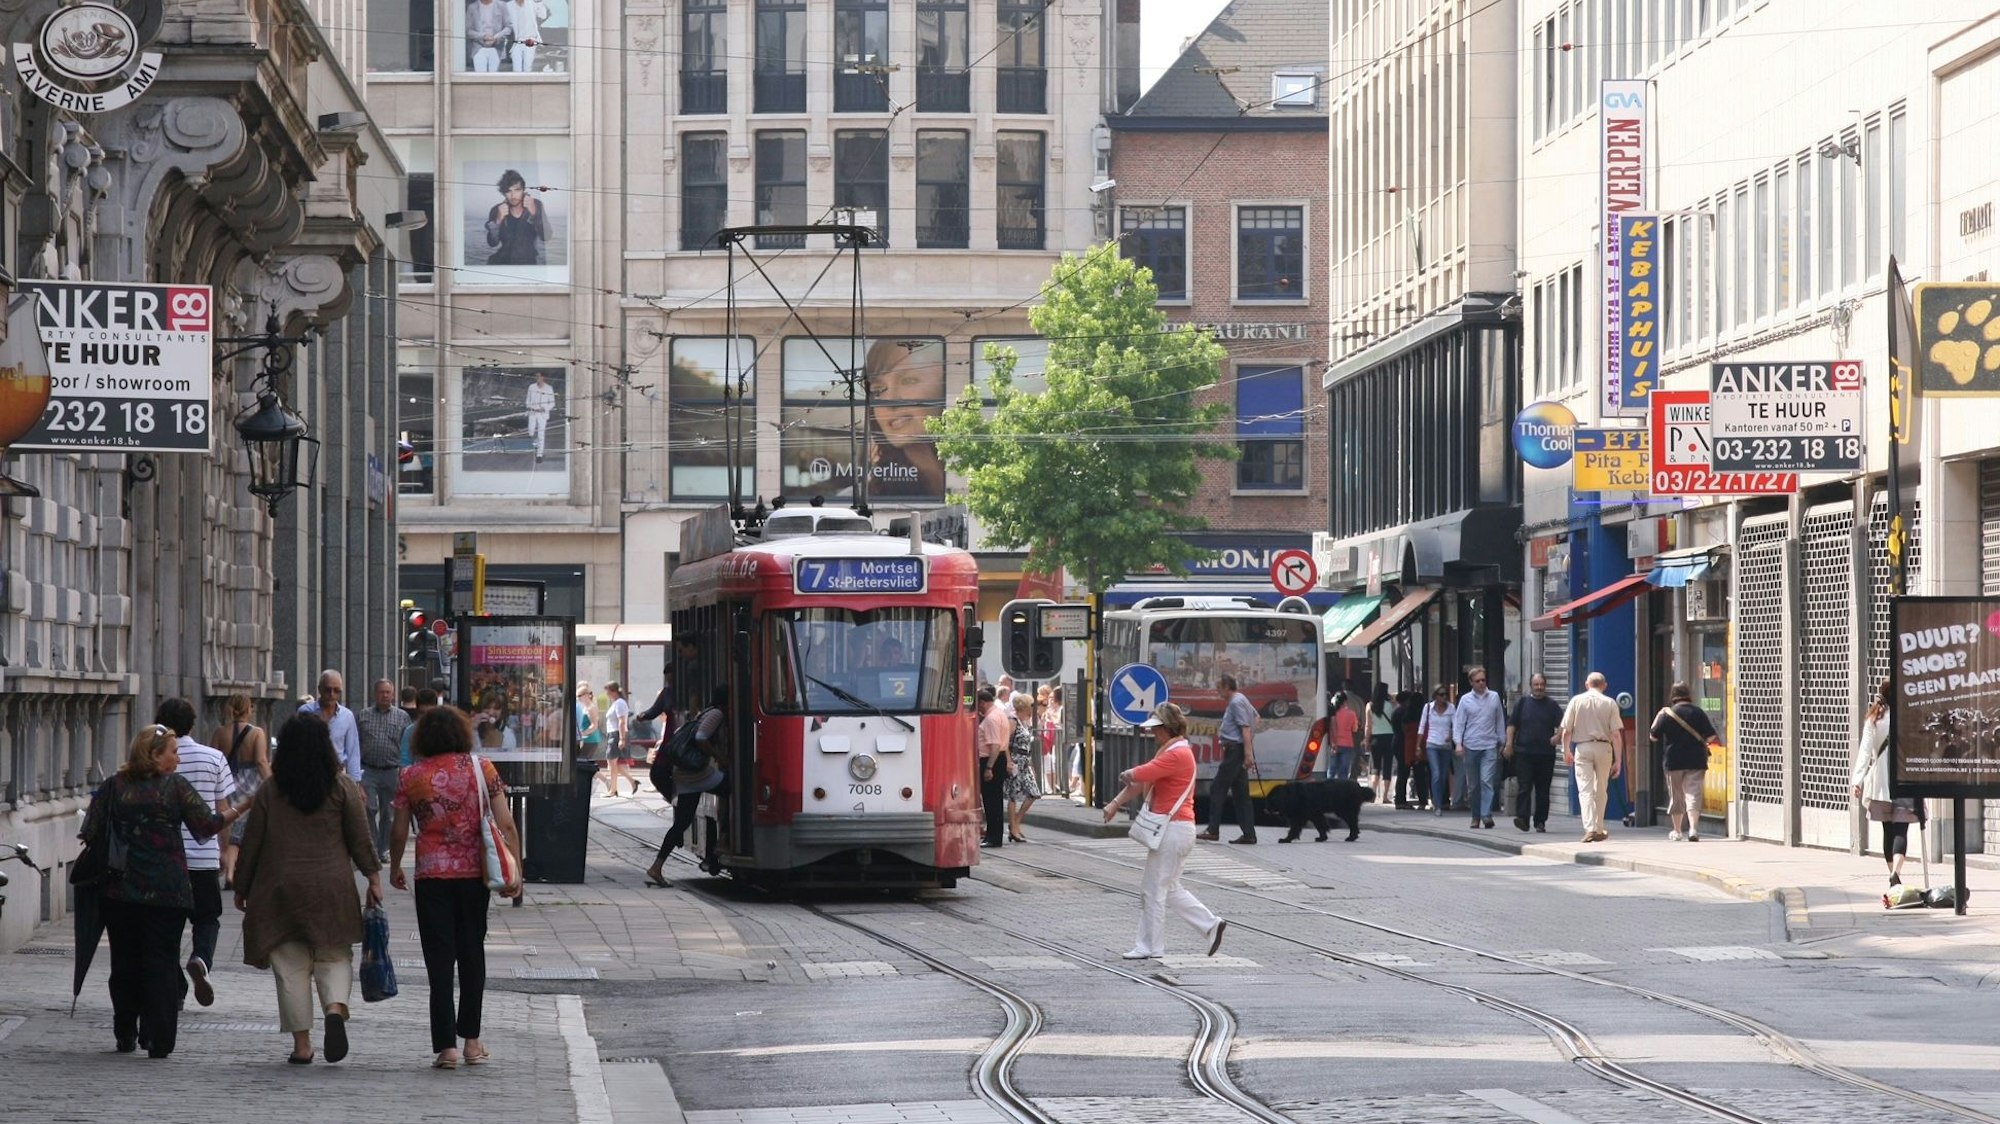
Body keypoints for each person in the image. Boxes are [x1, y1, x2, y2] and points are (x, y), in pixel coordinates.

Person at [81, 724, 250, 1057]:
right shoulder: (175, 788)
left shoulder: (114, 787)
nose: (178, 756)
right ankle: (158, 1037)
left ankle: (126, 1030)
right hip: (167, 892)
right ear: (155, 755)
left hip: (120, 891)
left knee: (125, 962)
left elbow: (89, 831)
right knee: (161, 962)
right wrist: (242, 806)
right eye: (173, 751)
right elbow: (207, 827)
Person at [234, 715, 384, 1065]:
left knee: (290, 966)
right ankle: (334, 1007)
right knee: (333, 956)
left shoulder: (270, 791)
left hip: (281, 889)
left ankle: (302, 1046)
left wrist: (242, 885)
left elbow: (252, 841)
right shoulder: (342, 786)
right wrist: (374, 878)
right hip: (332, 886)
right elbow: (361, 839)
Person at [391, 706, 523, 1069]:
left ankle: (445, 1047)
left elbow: (399, 828)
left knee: (438, 959)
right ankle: (472, 1041)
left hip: (431, 877)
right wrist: (517, 870)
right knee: (471, 953)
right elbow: (506, 823)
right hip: (473, 876)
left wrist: (395, 865)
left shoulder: (411, 775)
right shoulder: (482, 769)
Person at [1101, 703, 1227, 961]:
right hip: (1177, 830)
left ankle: (1151, 947)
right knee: (1168, 888)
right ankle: (1210, 925)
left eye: (1156, 729)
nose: (1153, 733)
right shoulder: (1171, 751)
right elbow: (1145, 781)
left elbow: (1143, 774)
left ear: (1168, 728)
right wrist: (1115, 803)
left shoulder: (1176, 754)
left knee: (1153, 890)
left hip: (1173, 830)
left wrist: (1129, 772)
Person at [156, 697, 236, 1011]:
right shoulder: (213, 757)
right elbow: (222, 811)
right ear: (193, 723)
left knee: (168, 927)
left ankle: (175, 988)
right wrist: (224, 852)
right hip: (202, 857)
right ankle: (201, 958)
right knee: (207, 918)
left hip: (166, 859)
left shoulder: (155, 760)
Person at [645, 686, 730, 887]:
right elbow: (701, 737)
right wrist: (720, 757)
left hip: (685, 775)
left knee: (682, 822)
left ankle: (656, 867)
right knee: (734, 790)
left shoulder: (707, 711)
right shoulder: (717, 713)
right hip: (698, 774)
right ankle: (722, 843)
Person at [1852, 679, 1921, 885]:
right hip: (1905, 778)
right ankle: (1896, 872)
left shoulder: (1874, 719)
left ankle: (1892, 873)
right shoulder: (1909, 716)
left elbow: (1865, 752)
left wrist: (1857, 780)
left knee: (1888, 829)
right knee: (1901, 828)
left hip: (1880, 782)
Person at [862, 338, 947, 500]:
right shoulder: (866, 495)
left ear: (944, 387)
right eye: (878, 390)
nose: (891, 401)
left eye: (908, 380)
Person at [1559, 671, 1626, 843]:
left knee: (1585, 789)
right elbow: (1616, 734)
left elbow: (1566, 731)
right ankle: (1598, 826)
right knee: (1601, 789)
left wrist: (1566, 751)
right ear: (1604, 686)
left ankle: (1589, 828)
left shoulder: (1576, 701)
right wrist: (1618, 760)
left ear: (1587, 684)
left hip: (1583, 747)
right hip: (1604, 747)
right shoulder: (1610, 703)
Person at [1651, 682, 1721, 842]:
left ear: (1672, 695)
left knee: (1676, 796)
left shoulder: (1667, 713)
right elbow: (1711, 736)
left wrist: (1659, 716)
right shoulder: (1698, 712)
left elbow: (1653, 736)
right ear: (1688, 694)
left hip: (1673, 759)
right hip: (1696, 759)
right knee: (1693, 793)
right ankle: (1693, 829)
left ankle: (1677, 831)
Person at [213, 693, 269, 888]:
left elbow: (214, 760)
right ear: (248, 709)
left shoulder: (220, 733)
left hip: (226, 781)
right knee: (246, 827)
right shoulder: (257, 733)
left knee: (228, 824)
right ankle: (240, 870)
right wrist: (271, 783)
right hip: (250, 783)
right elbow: (261, 761)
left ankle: (229, 871)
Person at [356, 679, 412, 862]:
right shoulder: (363, 715)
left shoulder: (402, 717)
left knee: (388, 813)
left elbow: (407, 745)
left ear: (393, 694)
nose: (385, 695)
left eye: (388, 692)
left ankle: (384, 849)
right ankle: (371, 847)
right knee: (369, 809)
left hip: (392, 771)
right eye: (382, 692)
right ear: (375, 694)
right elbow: (356, 744)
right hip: (368, 770)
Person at [1197, 675, 1258, 844]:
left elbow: (1245, 728)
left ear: (1226, 687)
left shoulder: (1236, 702)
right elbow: (1256, 717)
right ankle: (1249, 834)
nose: (1217, 691)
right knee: (1240, 793)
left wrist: (1248, 753)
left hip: (1235, 751)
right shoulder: (1242, 699)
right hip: (1237, 749)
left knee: (1218, 787)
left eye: (1219, 687)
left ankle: (1213, 829)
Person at [1506, 674, 1565, 833]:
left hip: (1545, 754)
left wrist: (1558, 736)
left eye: (1541, 684)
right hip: (1524, 753)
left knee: (1543, 789)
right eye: (1536, 684)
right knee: (1524, 786)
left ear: (1545, 685)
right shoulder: (1523, 703)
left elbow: (1564, 723)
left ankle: (1540, 821)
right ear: (1530, 685)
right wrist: (1509, 744)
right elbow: (1512, 725)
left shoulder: (1552, 705)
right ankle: (1523, 819)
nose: (1539, 687)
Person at [1452, 667, 1506, 829]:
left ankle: (1486, 815)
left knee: (1487, 782)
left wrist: (1502, 741)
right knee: (1474, 786)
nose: (1481, 683)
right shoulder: (1465, 700)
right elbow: (1459, 724)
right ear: (1471, 683)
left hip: (1489, 746)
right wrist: (1458, 744)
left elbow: (1499, 720)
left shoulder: (1494, 697)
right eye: (1478, 681)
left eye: (1483, 680)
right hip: (1471, 747)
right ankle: (1475, 816)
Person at [299, 670, 363, 780]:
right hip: (309, 773)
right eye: (327, 690)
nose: (331, 694)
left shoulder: (347, 716)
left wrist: (355, 781)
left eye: (337, 690)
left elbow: (353, 751)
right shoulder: (305, 712)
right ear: (320, 689)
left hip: (337, 775)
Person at [485, 170, 547, 267]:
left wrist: (534, 214)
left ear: (523, 190)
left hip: (528, 264)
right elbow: (492, 243)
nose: (513, 196)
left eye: (517, 190)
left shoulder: (536, 205)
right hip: (501, 263)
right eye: (508, 191)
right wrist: (497, 221)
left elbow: (546, 236)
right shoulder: (496, 210)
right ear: (503, 193)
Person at [1004, 694, 1042, 843]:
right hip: (1015, 761)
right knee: (1012, 794)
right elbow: (1005, 742)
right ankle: (1013, 828)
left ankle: (1016, 822)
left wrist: (1031, 762)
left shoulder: (1025, 722)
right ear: (1025, 707)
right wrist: (1008, 761)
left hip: (1025, 761)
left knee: (1033, 793)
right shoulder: (1013, 721)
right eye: (1031, 706)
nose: (1032, 710)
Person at [976, 687, 1010, 848]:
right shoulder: (1000, 714)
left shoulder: (990, 719)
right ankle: (993, 835)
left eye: (978, 704)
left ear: (983, 702)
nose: (978, 708)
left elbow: (995, 745)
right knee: (995, 800)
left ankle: (993, 837)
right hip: (999, 759)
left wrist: (989, 767)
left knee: (991, 801)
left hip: (991, 760)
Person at [1416, 686, 1455, 817]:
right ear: (1435, 696)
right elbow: (1422, 726)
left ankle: (1438, 800)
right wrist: (1418, 746)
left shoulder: (1451, 708)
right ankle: (1437, 804)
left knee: (1443, 776)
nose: (1444, 697)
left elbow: (1456, 725)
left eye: (1446, 695)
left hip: (1446, 745)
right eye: (1441, 694)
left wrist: (1453, 734)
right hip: (1432, 743)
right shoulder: (1428, 708)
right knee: (1436, 774)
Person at [1391, 690, 1427, 810]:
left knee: (1402, 773)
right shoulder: (1416, 714)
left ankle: (1400, 799)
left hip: (1399, 743)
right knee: (1420, 774)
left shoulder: (1398, 712)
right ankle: (1422, 799)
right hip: (1411, 745)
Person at [600, 682, 635, 797]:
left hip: (616, 734)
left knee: (612, 762)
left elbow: (622, 721)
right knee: (613, 763)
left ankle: (613, 789)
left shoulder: (619, 703)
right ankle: (631, 782)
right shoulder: (616, 703)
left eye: (608, 691)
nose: (607, 694)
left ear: (613, 691)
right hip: (613, 734)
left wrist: (621, 738)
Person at [1367, 683, 1397, 806]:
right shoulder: (1391, 705)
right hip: (1389, 738)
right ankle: (1385, 796)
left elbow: (1368, 726)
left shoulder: (1370, 705)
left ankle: (1372, 795)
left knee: (1376, 767)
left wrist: (1366, 740)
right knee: (1387, 767)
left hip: (1375, 739)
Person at [505, 0, 551, 72]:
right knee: (516, 69)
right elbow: (506, 22)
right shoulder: (508, 6)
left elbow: (543, 15)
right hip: (516, 41)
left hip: (530, 39)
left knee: (528, 67)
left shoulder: (532, 3)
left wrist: (539, 3)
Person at [400, 688, 439, 767]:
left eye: (430, 713)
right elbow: (405, 760)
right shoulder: (410, 731)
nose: (426, 717)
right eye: (422, 713)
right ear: (417, 710)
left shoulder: (446, 729)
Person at [465, 0, 508, 71]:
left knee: (494, 79)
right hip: (478, 48)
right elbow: (468, 30)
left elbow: (508, 27)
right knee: (480, 79)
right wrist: (483, 36)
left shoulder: (501, 5)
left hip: (497, 47)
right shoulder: (472, 7)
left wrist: (496, 37)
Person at [1327, 692, 1360, 781]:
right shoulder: (1351, 713)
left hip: (1334, 744)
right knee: (1344, 772)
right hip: (1347, 744)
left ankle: (1329, 790)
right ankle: (1342, 791)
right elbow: (1355, 729)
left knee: (1332, 771)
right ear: (1345, 702)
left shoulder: (1333, 713)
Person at [524, 371, 556, 462]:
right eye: (536, 376)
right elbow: (528, 400)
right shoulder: (531, 387)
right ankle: (534, 447)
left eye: (538, 376)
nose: (537, 378)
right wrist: (530, 407)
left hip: (542, 414)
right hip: (533, 413)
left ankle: (539, 455)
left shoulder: (549, 388)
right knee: (531, 432)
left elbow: (552, 403)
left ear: (543, 377)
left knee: (541, 434)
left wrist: (544, 408)